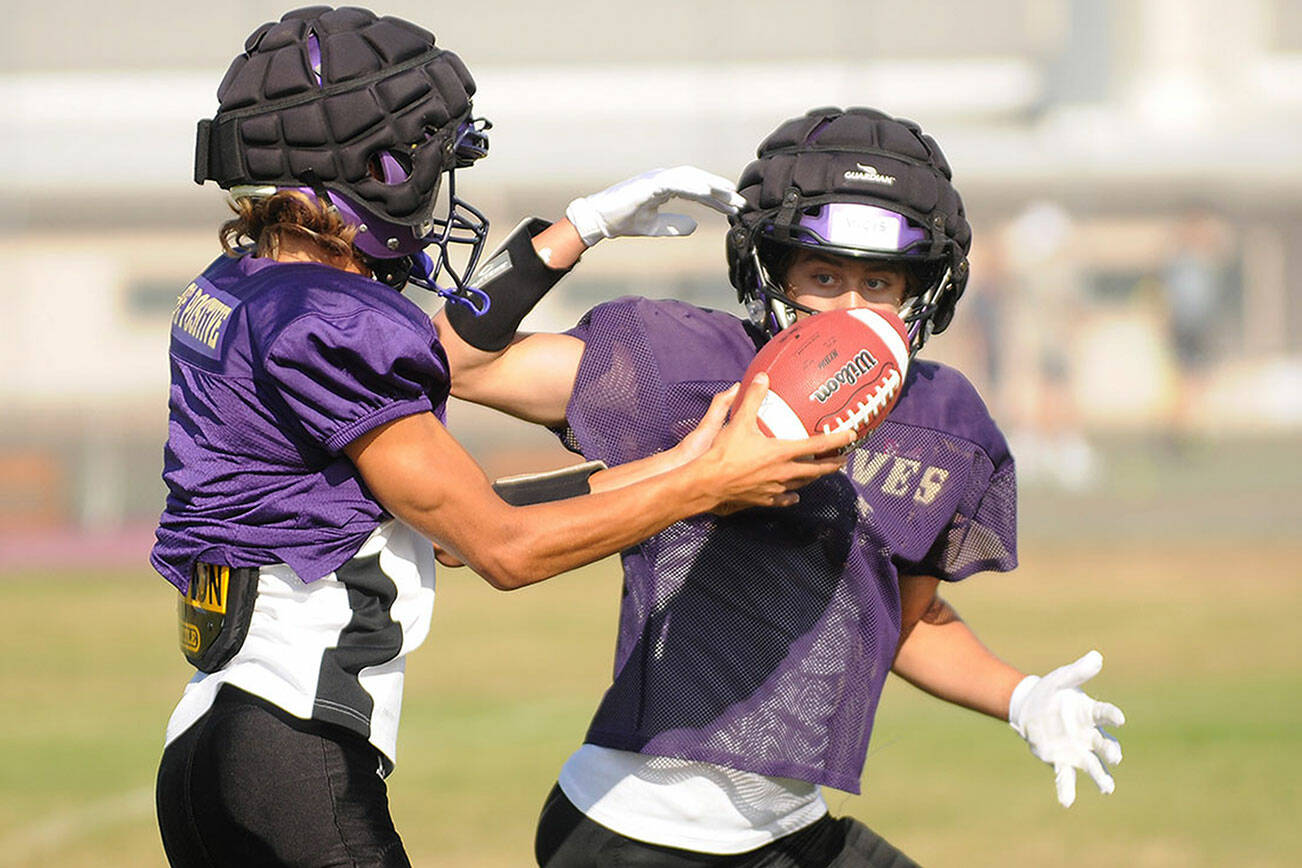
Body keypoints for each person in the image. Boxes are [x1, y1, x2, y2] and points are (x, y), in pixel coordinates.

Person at [150, 10, 854, 867]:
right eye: (431, 163)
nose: (439, 190)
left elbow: (444, 517)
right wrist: (712, 486)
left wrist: (681, 457)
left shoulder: (243, 288)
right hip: (289, 753)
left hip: (210, 743)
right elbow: (500, 550)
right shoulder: (328, 320)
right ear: (377, 169)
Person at [435, 107, 1128, 866]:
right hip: (634, 833)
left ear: (923, 290)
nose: (851, 309)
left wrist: (1022, 697)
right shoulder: (682, 367)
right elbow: (457, 363)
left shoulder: (946, 419)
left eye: (879, 281)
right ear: (772, 270)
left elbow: (906, 619)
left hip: (788, 834)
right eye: (824, 277)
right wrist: (573, 229)